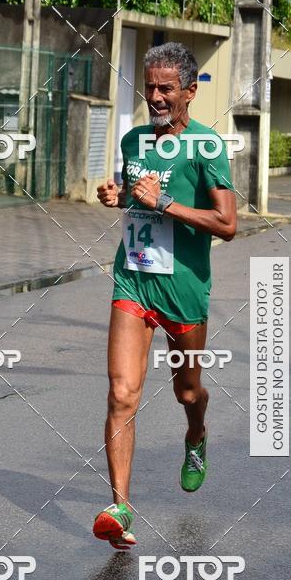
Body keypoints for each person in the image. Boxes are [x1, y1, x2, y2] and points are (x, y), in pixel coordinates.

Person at [93, 42, 237, 550]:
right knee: (121, 394)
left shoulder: (208, 146)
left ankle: (196, 435)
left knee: (186, 392)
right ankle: (121, 508)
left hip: (184, 290)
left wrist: (167, 202)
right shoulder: (134, 141)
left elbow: (227, 224)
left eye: (165, 88)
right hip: (132, 280)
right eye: (149, 86)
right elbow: (137, 200)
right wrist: (117, 196)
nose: (154, 96)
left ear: (190, 93)